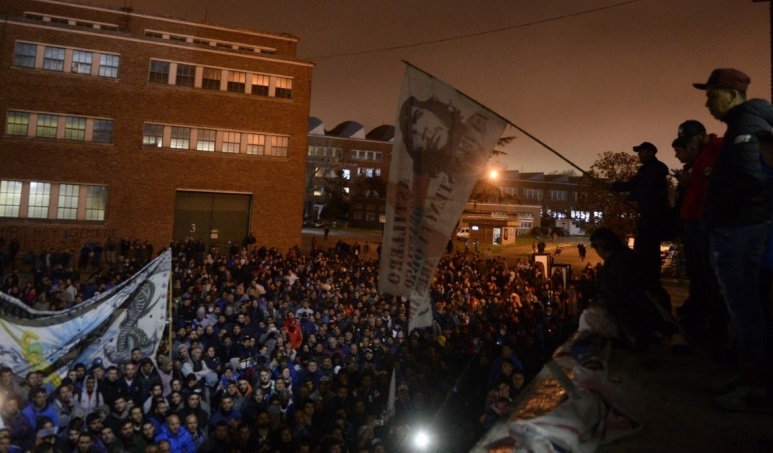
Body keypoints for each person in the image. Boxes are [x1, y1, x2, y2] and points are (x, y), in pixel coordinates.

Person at [693, 68, 773, 412]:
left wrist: (722, 211)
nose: (708, 103)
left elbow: (752, 179)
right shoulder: (744, 125)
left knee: (746, 309)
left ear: (730, 93)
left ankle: (755, 386)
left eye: (712, 95)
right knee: (744, 308)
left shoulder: (746, 126)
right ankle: (748, 375)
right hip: (741, 228)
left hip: (740, 230)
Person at [670, 120, 726, 347]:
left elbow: (717, 188)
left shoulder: (718, 151)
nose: (687, 149)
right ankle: (700, 311)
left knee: (708, 274)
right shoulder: (701, 156)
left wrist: (694, 181)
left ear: (699, 137)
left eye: (688, 143)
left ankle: (715, 327)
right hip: (694, 222)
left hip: (705, 224)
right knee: (698, 271)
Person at [583, 227, 676, 349]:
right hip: (636, 307)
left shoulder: (622, 262)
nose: (597, 252)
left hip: (643, 308)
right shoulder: (617, 259)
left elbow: (624, 293)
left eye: (596, 248)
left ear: (601, 247)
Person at [610, 141, 672, 283]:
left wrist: (627, 196)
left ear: (651, 152)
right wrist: (614, 186)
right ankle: (647, 276)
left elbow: (644, 190)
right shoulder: (646, 170)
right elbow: (633, 184)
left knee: (648, 248)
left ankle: (650, 278)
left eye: (642, 152)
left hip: (654, 215)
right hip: (648, 214)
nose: (639, 155)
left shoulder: (656, 169)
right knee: (644, 246)